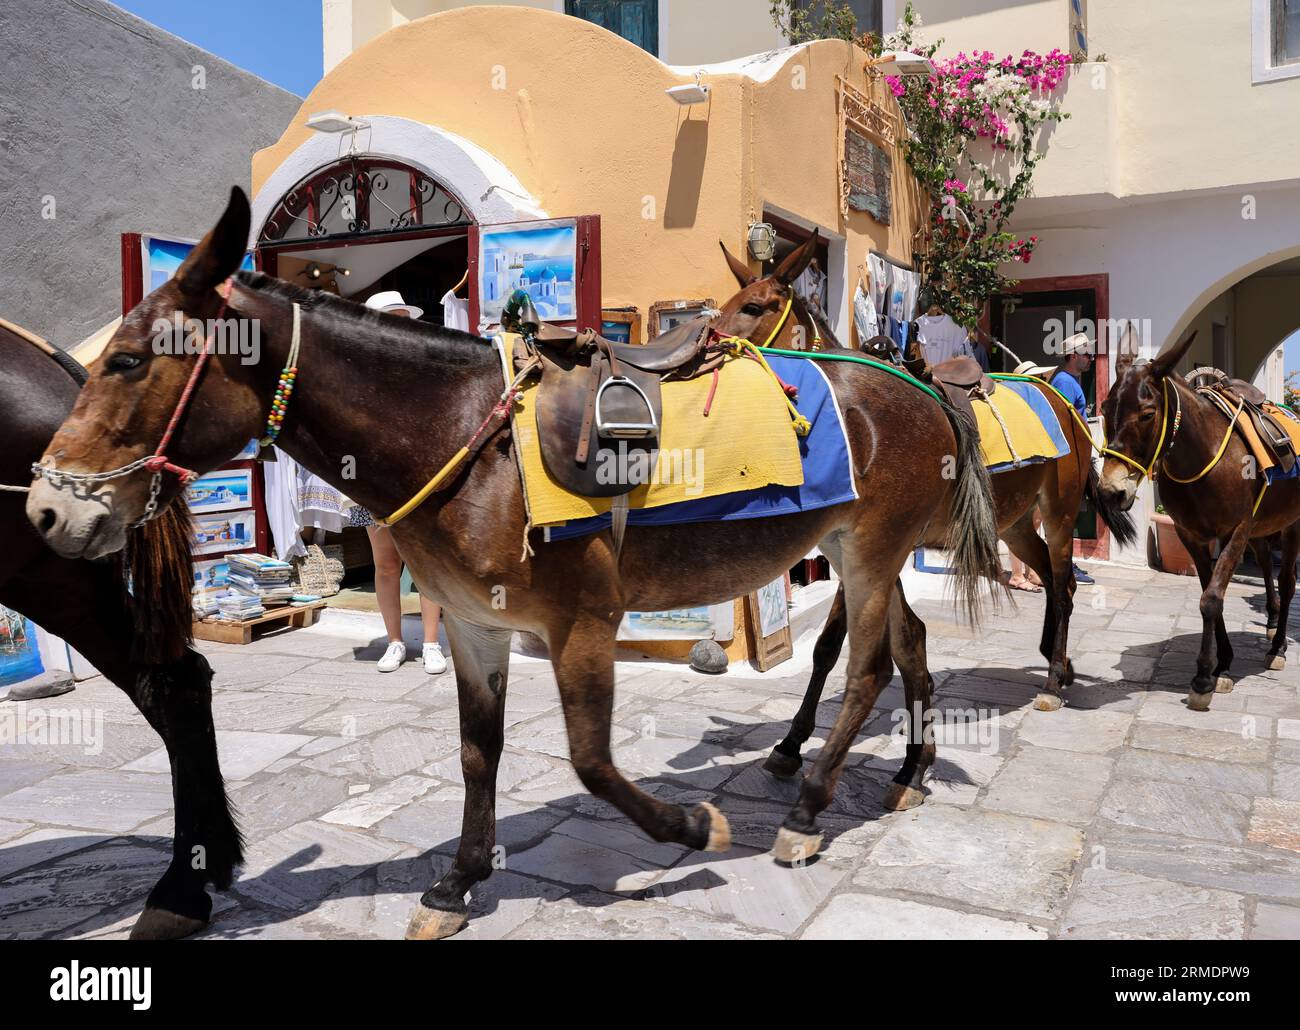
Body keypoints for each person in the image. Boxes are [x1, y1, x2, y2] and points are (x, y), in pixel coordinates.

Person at [349, 289, 447, 674]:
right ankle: (394, 642)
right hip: (375, 479)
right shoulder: (358, 371)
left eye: (403, 319)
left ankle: (432, 643)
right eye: (393, 318)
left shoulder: (423, 364)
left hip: (418, 478)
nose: (400, 326)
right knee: (386, 565)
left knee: (425, 564)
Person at [1020, 333, 1097, 586]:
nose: (1091, 358)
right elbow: (1061, 423)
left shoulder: (1070, 381)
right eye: (1086, 354)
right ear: (1073, 356)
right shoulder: (1065, 382)